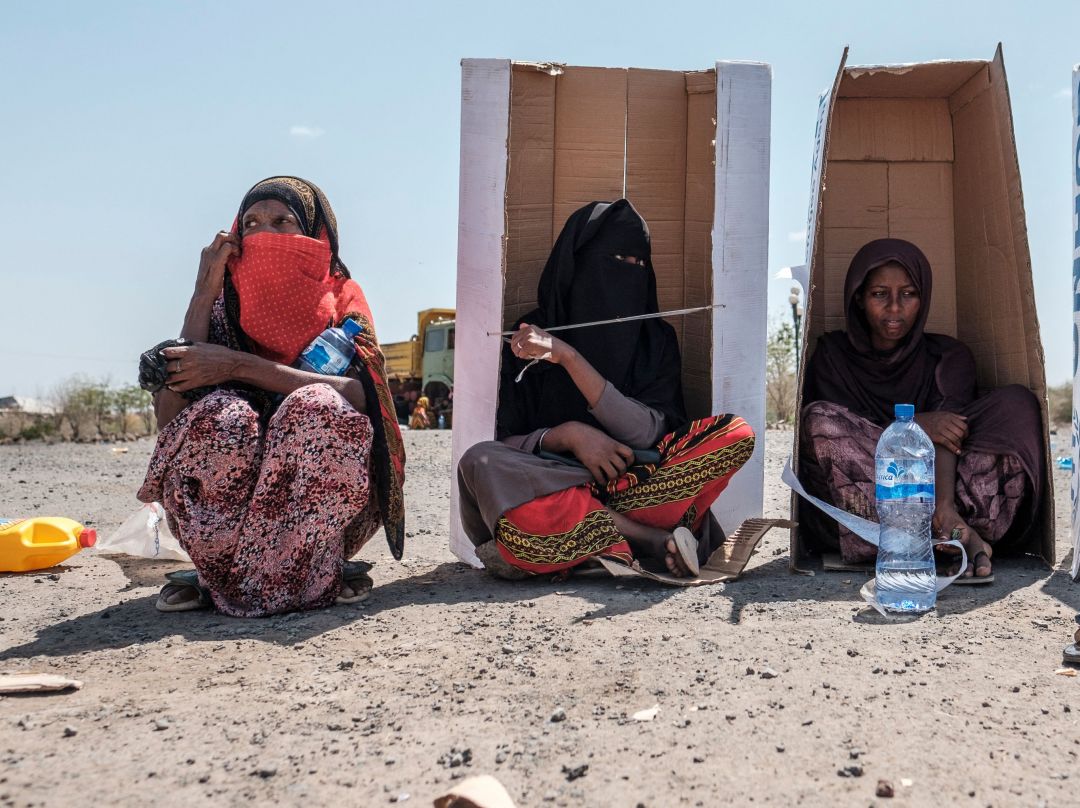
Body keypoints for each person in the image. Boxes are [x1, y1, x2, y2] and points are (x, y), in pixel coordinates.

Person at [137, 176, 405, 616]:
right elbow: (172, 420)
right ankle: (222, 573)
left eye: (283, 221)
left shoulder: (343, 301)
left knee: (316, 407)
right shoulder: (224, 305)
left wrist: (237, 366)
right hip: (228, 517)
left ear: (316, 235)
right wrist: (203, 291)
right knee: (221, 417)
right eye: (252, 222)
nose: (265, 233)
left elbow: (364, 397)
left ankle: (313, 566)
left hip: (328, 506)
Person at [457, 199, 754, 579]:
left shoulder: (655, 339)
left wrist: (568, 358)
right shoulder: (530, 334)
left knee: (735, 434)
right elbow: (504, 444)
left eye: (639, 264)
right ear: (578, 264)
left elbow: (650, 432)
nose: (629, 274)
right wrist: (567, 436)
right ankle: (647, 540)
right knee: (479, 461)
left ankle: (593, 544)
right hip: (551, 483)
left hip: (641, 486)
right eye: (616, 259)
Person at [799, 238, 1044, 581]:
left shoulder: (948, 357)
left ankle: (944, 531)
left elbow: (950, 437)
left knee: (1017, 404)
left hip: (946, 491)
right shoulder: (832, 358)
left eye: (909, 294)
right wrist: (913, 425)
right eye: (880, 294)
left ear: (923, 297)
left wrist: (943, 507)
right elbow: (841, 449)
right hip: (869, 506)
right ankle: (942, 540)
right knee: (821, 420)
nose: (895, 308)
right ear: (859, 298)